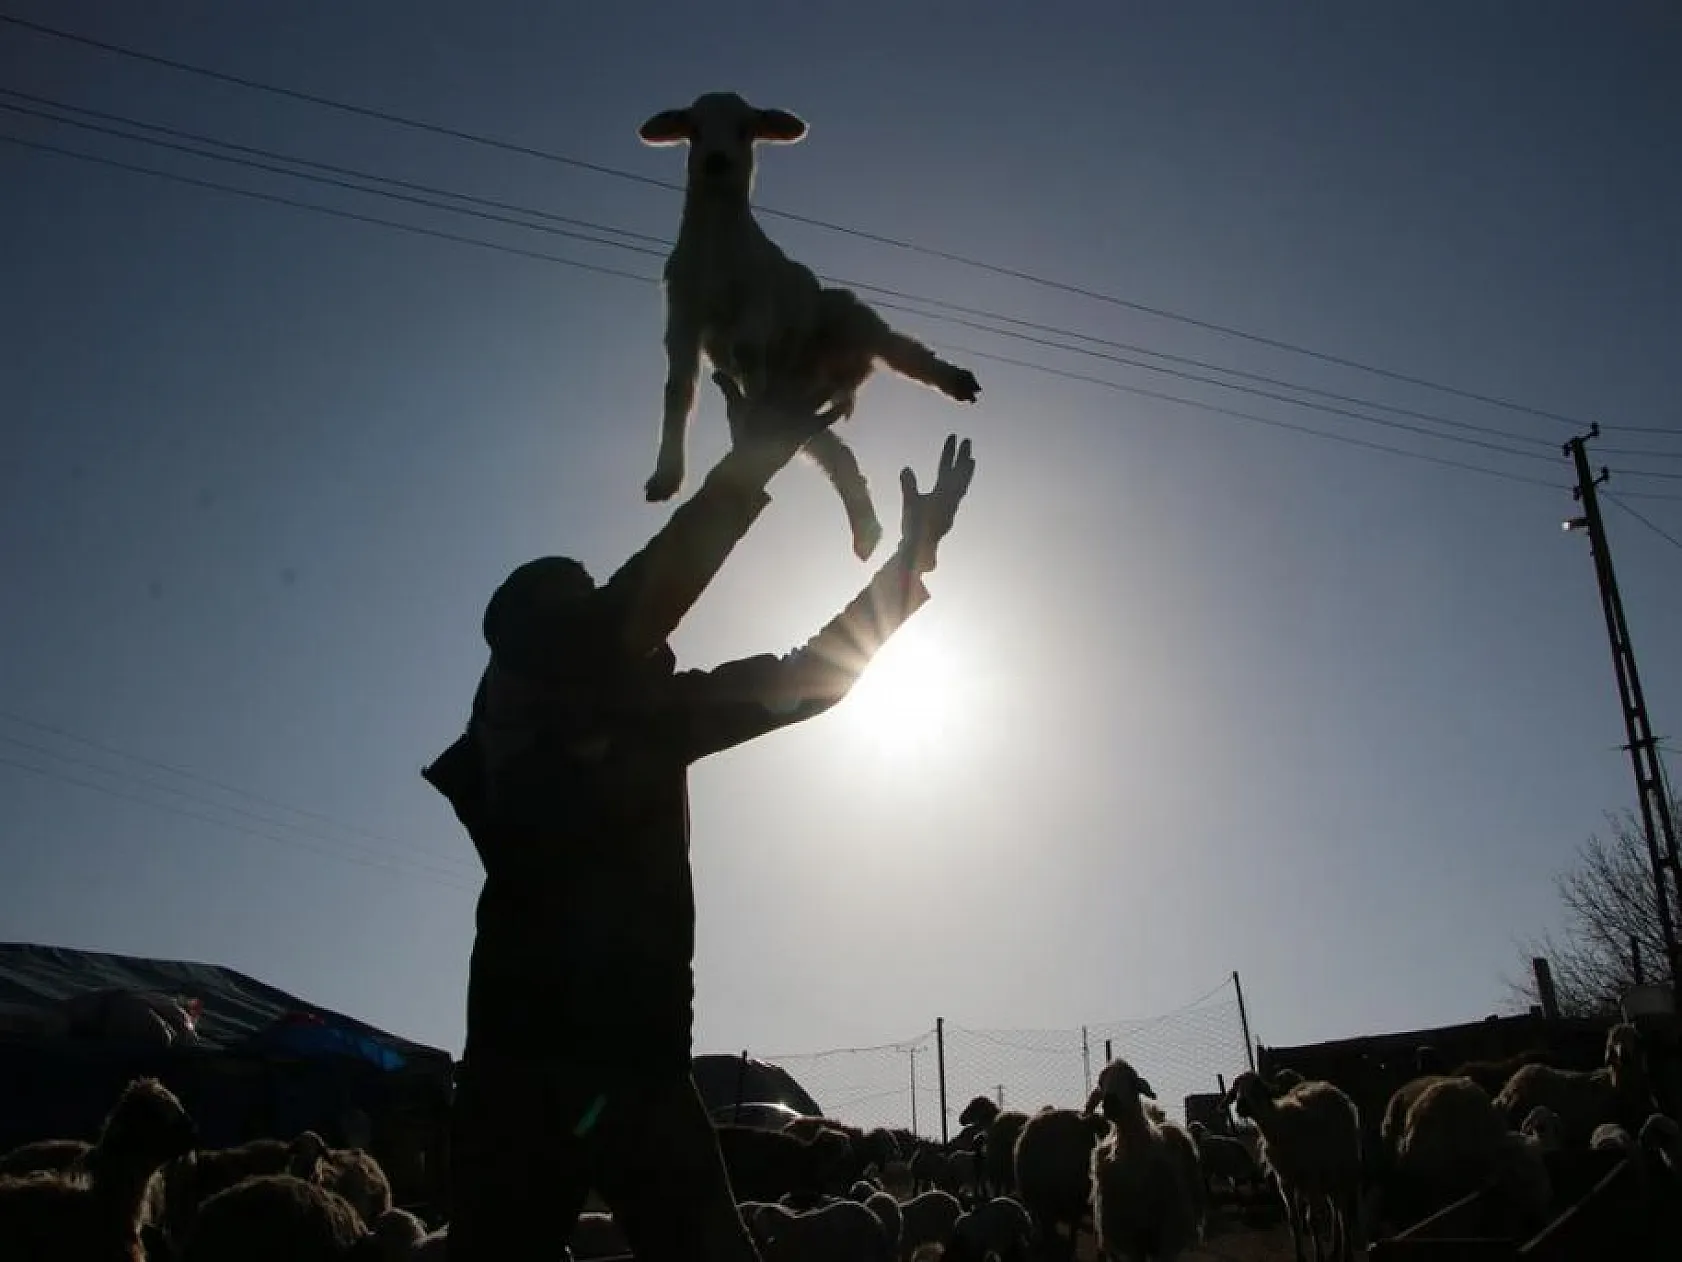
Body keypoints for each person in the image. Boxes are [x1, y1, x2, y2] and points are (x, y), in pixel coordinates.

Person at [422, 370, 978, 1260]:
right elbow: (634, 607)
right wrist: (755, 457)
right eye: (588, 602)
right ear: (533, 649)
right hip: (536, 1073)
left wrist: (911, 561)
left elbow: (807, 674)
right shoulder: (522, 731)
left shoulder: (645, 722)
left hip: (632, 1069)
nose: (613, 613)